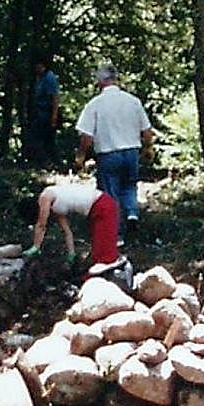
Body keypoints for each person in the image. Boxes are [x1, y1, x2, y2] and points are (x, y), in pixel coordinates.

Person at [75, 64, 154, 240]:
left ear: (100, 82)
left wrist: (81, 156)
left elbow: (86, 136)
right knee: (129, 186)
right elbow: (147, 131)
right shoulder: (133, 101)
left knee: (110, 194)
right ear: (116, 79)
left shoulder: (94, 104)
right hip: (132, 151)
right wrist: (148, 148)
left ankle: (115, 234)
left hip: (109, 153)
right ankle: (132, 215)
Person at [18, 185, 123, 276]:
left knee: (104, 255)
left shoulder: (46, 197)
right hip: (94, 210)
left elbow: (41, 225)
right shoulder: (56, 207)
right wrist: (71, 254)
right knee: (97, 250)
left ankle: (112, 277)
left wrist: (35, 247)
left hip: (102, 205)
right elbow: (66, 232)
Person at [27, 57, 61, 165]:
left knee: (48, 140)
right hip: (39, 113)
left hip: (47, 112)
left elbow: (55, 98)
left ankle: (54, 163)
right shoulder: (38, 78)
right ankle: (43, 162)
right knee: (38, 138)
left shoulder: (49, 77)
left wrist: (54, 116)